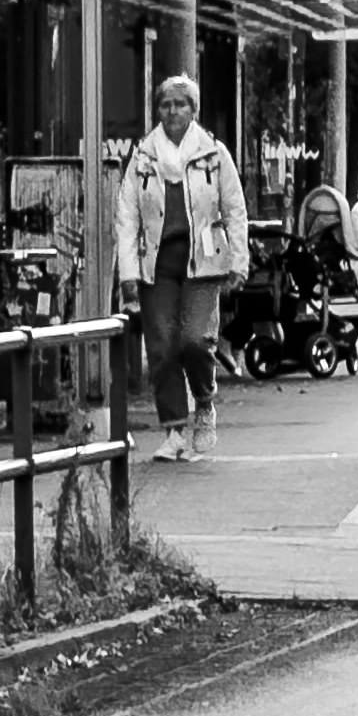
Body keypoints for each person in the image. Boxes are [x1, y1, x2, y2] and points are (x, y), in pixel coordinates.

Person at [107, 74, 246, 462]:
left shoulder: (213, 154)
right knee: (163, 347)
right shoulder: (143, 157)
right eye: (166, 104)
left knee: (195, 340)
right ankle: (173, 431)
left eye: (180, 104)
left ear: (193, 110)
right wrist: (128, 274)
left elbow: (234, 209)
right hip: (157, 267)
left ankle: (204, 400)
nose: (172, 111)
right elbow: (127, 218)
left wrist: (239, 261)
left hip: (203, 263)